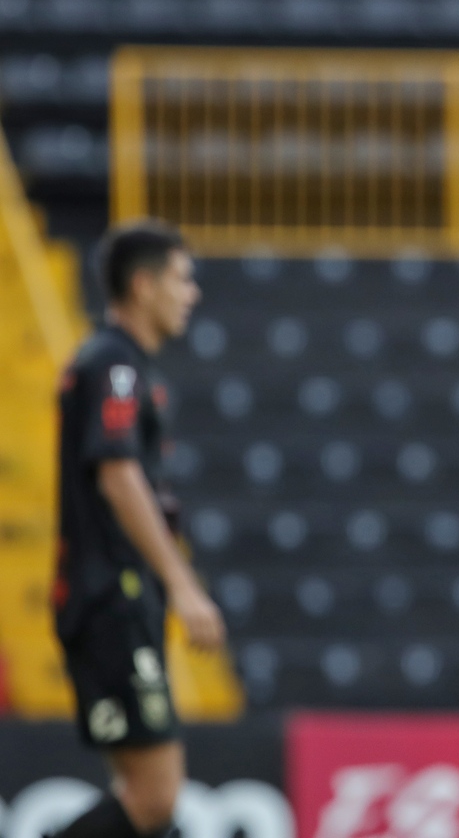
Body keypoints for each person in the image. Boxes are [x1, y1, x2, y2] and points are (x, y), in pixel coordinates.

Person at [49, 221, 223, 838]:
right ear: (143, 286)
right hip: (110, 598)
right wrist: (183, 584)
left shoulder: (116, 365)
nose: (192, 294)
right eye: (181, 278)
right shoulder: (114, 366)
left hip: (110, 599)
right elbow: (119, 477)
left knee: (149, 802)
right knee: (154, 799)